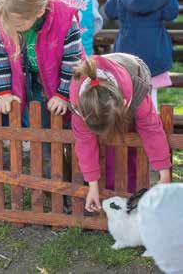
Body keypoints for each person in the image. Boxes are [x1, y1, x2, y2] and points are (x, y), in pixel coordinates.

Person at [0, 0, 84, 174]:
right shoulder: (6, 16)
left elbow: (73, 61)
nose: (13, 29)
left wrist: (62, 94)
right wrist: (4, 91)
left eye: (19, 25)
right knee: (43, 133)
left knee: (75, 134)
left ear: (40, 11)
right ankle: (53, 181)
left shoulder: (65, 18)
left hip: (66, 80)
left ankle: (82, 181)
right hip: (33, 81)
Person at [69, 54, 172, 212]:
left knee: (136, 131)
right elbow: (85, 143)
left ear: (124, 105)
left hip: (135, 69)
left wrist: (164, 174)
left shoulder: (135, 90)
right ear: (83, 116)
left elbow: (152, 130)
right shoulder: (79, 102)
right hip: (107, 78)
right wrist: (93, 186)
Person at [105, 0, 179, 109]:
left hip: (126, 49)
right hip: (154, 49)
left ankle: (128, 130)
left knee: (127, 93)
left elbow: (110, 11)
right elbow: (171, 14)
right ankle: (151, 130)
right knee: (151, 95)